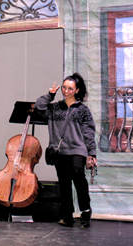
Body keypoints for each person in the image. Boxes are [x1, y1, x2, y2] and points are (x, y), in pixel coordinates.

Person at [35, 73, 97, 228]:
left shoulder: (83, 110)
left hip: (77, 150)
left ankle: (85, 211)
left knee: (78, 177)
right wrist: (50, 95)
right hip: (59, 151)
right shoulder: (55, 108)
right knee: (64, 183)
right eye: (64, 88)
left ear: (77, 90)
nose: (66, 91)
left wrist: (92, 153)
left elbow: (89, 133)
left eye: (70, 88)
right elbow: (38, 106)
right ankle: (67, 216)